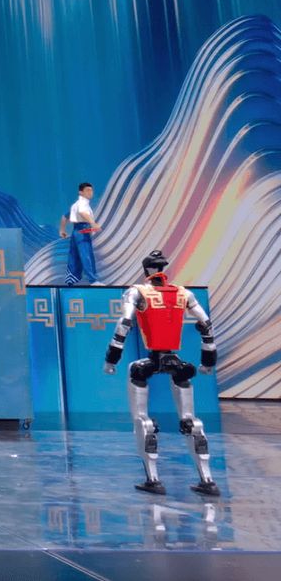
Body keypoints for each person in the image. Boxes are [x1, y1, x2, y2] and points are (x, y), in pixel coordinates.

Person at [103, 250, 218, 496]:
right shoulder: (183, 293)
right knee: (190, 420)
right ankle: (207, 480)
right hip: (176, 360)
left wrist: (112, 358)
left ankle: (153, 479)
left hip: (152, 359)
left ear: (146, 269)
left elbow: (124, 324)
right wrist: (208, 360)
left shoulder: (137, 292)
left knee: (142, 419)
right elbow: (206, 325)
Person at [59, 182, 101, 284]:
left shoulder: (75, 205)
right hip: (82, 231)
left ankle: (71, 280)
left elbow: (64, 217)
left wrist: (62, 230)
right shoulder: (82, 203)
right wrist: (93, 223)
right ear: (80, 192)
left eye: (91, 190)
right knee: (86, 255)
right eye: (87, 190)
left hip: (76, 231)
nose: (90, 192)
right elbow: (82, 212)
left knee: (74, 256)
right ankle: (93, 280)